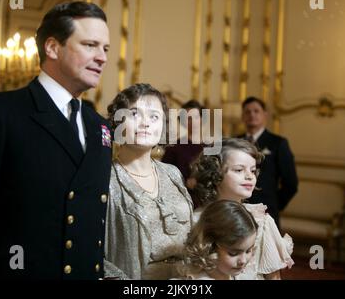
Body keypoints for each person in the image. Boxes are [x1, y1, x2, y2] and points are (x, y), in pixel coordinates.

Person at [0, 1, 112, 280]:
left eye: (105, 49)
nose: (102, 57)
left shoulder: (100, 127)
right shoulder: (0, 113)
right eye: (90, 45)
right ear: (52, 48)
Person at [105, 83, 193, 280]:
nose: (146, 123)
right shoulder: (105, 179)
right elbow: (91, 249)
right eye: (135, 114)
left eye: (154, 116)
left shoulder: (173, 173)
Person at [191, 138, 294, 280]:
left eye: (253, 171)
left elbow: (274, 277)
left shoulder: (261, 221)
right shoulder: (196, 221)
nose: (249, 176)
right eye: (239, 170)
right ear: (215, 173)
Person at [239, 96, 298, 227]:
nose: (252, 115)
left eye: (256, 111)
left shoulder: (278, 143)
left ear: (265, 115)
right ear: (242, 116)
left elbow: (291, 183)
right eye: (247, 112)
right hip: (238, 209)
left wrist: (275, 204)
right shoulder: (235, 141)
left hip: (267, 211)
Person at [177, 200, 258, 280]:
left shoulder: (243, 276)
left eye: (248, 251)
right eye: (233, 253)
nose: (243, 260)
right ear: (210, 247)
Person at [162, 99, 204, 208]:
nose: (192, 122)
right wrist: (185, 183)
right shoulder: (174, 147)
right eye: (188, 118)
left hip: (208, 202)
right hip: (183, 202)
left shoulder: (211, 146)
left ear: (202, 119)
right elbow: (165, 177)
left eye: (195, 117)